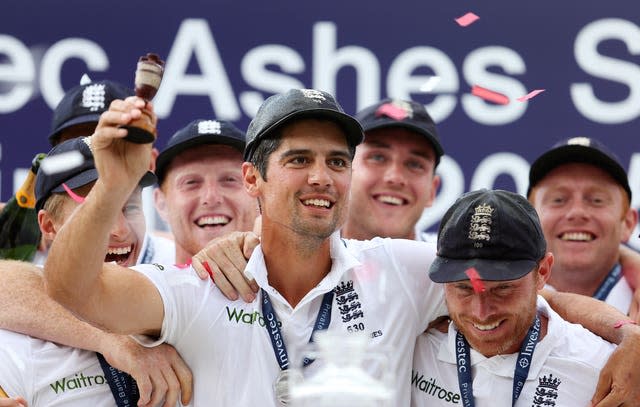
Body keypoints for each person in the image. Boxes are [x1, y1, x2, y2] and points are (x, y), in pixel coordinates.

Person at [44, 90, 640, 406]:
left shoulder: (401, 269)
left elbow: (534, 294)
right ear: (254, 179)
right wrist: (114, 187)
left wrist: (630, 338)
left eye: (336, 161)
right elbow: (71, 290)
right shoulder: (202, 285)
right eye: (298, 160)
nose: (321, 177)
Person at [0, 136, 193, 406]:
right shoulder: (18, 343)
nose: (120, 229)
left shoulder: (186, 297)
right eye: (96, 210)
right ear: (48, 226)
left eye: (131, 207)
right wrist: (112, 339)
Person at [411, 189, 618, 406]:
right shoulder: (412, 344)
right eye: (463, 288)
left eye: (503, 288)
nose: (481, 312)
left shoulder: (601, 367)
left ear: (543, 272)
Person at [43, 75, 174, 265]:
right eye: (80, 146)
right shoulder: (20, 260)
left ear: (149, 164)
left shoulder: (179, 264)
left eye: (115, 143)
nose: (101, 158)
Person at [527, 137, 639, 314]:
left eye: (597, 200)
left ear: (628, 223)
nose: (577, 212)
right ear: (528, 221)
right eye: (558, 200)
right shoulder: (483, 309)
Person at [153, 119, 258, 266]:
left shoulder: (295, 283)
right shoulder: (137, 282)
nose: (211, 198)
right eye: (191, 182)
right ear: (161, 203)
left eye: (230, 180)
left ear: (261, 196)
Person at [342, 99, 443, 241]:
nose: (395, 178)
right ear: (342, 172)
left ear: (432, 191)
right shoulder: (303, 260)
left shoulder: (456, 263)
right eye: (377, 157)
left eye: (415, 165)